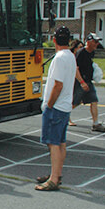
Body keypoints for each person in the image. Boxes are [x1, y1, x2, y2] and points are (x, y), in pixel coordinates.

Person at [35, 26, 76, 191]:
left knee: (53, 143)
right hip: (65, 106)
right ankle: (56, 174)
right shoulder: (71, 56)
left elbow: (57, 85)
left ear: (54, 40)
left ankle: (53, 180)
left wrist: (49, 104)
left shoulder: (59, 58)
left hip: (56, 106)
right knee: (61, 142)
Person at [71, 33, 105, 133]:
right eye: (95, 41)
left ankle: (95, 124)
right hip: (80, 82)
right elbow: (76, 69)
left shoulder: (91, 52)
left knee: (94, 100)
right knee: (75, 102)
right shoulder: (81, 53)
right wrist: (82, 82)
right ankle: (60, 116)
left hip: (88, 81)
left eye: (97, 42)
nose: (97, 44)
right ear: (88, 42)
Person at [67, 39, 84, 127]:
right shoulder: (71, 56)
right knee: (72, 100)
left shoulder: (79, 56)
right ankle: (67, 117)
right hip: (71, 81)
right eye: (80, 47)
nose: (82, 49)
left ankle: (67, 115)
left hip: (76, 81)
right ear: (74, 48)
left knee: (78, 100)